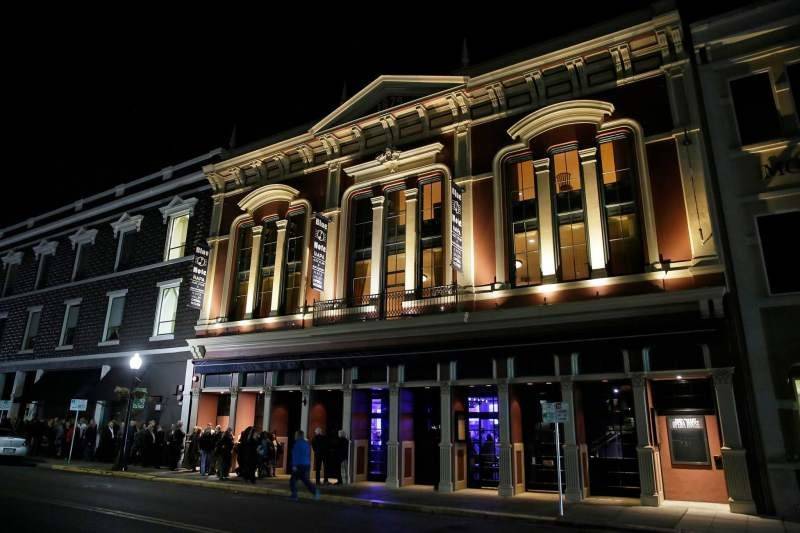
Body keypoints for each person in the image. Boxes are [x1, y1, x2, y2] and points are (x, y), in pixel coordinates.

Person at [289, 430, 319, 500]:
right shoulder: (306, 443)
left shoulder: (297, 444)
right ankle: (315, 492)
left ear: (298, 435)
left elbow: (295, 455)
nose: (295, 436)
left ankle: (294, 495)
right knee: (305, 480)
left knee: (292, 480)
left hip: (299, 465)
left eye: (296, 435)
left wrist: (294, 465)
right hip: (306, 464)